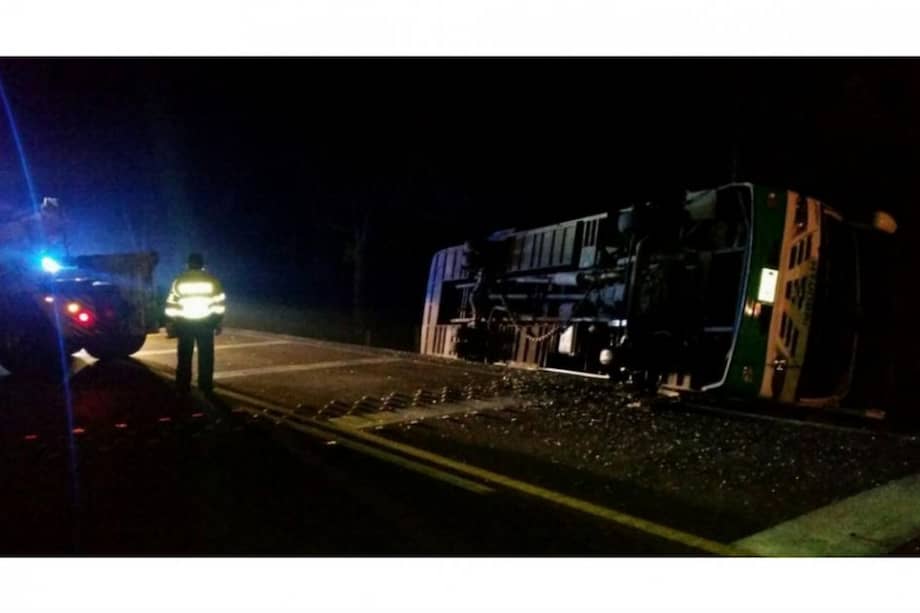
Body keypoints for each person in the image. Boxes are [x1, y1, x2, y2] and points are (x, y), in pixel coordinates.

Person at [165, 253, 226, 394]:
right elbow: (220, 304)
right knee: (206, 356)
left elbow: (171, 305)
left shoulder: (179, 281)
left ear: (188, 264)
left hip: (185, 324)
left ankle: (182, 384)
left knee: (184, 356)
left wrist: (172, 322)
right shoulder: (212, 281)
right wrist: (217, 322)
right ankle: (205, 385)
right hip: (205, 323)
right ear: (202, 264)